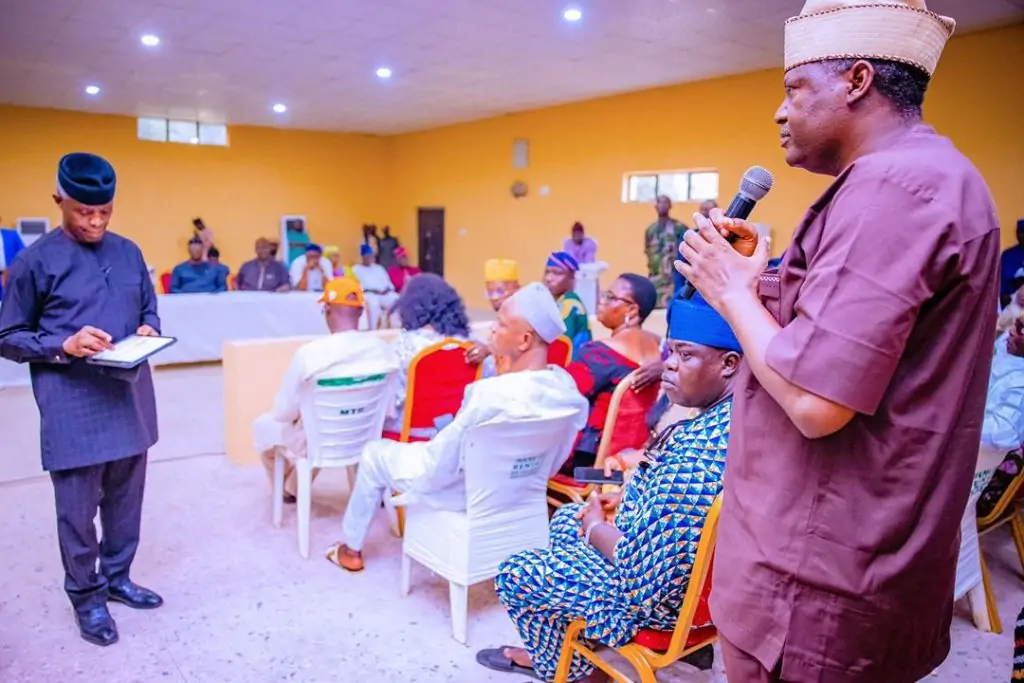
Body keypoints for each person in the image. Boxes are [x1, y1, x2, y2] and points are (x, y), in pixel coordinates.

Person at [676, 2, 999, 680]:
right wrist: (757, 280)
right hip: (853, 557)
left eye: (795, 89)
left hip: (814, 578)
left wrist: (732, 293)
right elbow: (842, 333)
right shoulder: (931, 174)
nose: (780, 112)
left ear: (856, 80)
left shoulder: (892, 188)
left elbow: (816, 402)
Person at [476, 292, 741, 682]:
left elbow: (641, 577)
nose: (668, 364)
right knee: (568, 516)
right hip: (697, 586)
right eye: (670, 351)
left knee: (516, 572)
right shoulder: (733, 422)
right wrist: (633, 498)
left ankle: (571, 671)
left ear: (729, 364)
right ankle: (577, 642)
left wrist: (597, 528)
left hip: (654, 608)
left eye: (685, 355)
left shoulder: (691, 461)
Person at [0, 153, 164, 647]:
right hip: (72, 405)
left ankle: (117, 577)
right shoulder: (34, 262)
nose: (94, 222)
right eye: (83, 212)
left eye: (104, 212)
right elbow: (8, 335)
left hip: (129, 398)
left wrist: (148, 327)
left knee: (126, 502)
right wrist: (63, 344)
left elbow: (149, 308)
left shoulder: (129, 252)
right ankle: (87, 598)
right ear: (59, 200)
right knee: (76, 513)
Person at [326, 282, 589, 572]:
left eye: (501, 324)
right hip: (520, 490)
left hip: (465, 491)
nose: (492, 329)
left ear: (525, 340)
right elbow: (555, 461)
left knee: (374, 453)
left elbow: (439, 465)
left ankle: (351, 550)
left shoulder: (488, 396)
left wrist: (416, 492)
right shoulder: (568, 393)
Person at [252, 278, 398, 502]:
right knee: (319, 421)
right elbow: (389, 408)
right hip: (364, 434)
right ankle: (296, 487)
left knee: (267, 426)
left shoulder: (309, 354)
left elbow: (283, 412)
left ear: (327, 311)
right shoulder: (383, 350)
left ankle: (288, 492)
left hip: (321, 438)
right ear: (361, 312)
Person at [564, 274, 661, 471]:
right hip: (636, 459)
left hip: (591, 464)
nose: (601, 301)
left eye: (609, 297)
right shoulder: (663, 350)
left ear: (632, 310)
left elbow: (562, 398)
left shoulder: (598, 354)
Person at [383, 273, 473, 437]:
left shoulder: (401, 347)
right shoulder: (471, 346)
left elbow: (390, 406)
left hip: (409, 439)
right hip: (456, 437)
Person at [464, 258, 521, 367]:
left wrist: (488, 350)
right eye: (489, 292)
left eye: (500, 291)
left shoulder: (524, 317)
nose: (494, 298)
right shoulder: (497, 321)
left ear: (517, 289)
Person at [644, 195, 689, 308]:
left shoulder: (679, 227)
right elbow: (648, 251)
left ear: (670, 206)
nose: (662, 205)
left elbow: (687, 250)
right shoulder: (651, 230)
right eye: (660, 202)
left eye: (665, 202)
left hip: (674, 278)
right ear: (655, 206)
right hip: (656, 278)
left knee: (674, 306)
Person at [543, 251, 591, 356]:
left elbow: (559, 348)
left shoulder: (568, 305)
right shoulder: (562, 301)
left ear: (571, 277)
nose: (548, 278)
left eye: (557, 273)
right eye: (547, 272)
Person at [673, 201, 717, 297]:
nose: (706, 213)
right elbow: (680, 267)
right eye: (704, 210)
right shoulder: (690, 237)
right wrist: (680, 292)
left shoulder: (725, 237)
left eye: (710, 210)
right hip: (692, 290)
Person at [352, 243, 399, 329]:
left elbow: (389, 285)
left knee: (396, 299)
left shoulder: (379, 268)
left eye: (371, 255)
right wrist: (372, 291)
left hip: (384, 294)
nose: (370, 258)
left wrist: (386, 290)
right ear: (363, 257)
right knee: (373, 304)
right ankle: (373, 329)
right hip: (369, 294)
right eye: (368, 256)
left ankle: (397, 326)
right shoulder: (356, 269)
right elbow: (356, 287)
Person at [0, 217, 27, 299]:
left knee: (8, 301)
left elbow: (24, 254)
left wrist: (13, 269)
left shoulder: (11, 235)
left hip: (9, 275)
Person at [1001, 220, 1024, 307]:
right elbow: (1001, 279)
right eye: (1020, 232)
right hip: (1011, 302)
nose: (1022, 235)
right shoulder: (1007, 255)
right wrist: (1003, 294)